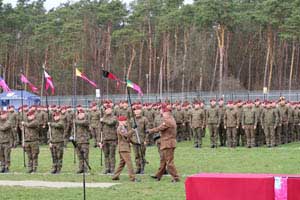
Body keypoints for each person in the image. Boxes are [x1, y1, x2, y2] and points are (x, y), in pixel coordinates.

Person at [147, 104, 180, 182]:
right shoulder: (171, 119)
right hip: (168, 142)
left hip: (168, 143)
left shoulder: (167, 121)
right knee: (163, 160)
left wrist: (150, 130)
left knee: (169, 162)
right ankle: (158, 175)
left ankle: (175, 177)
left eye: (163, 112)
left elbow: (160, 128)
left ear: (166, 113)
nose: (162, 114)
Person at [112, 116, 138, 182]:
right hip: (124, 148)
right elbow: (126, 135)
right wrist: (133, 129)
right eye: (124, 120)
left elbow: (127, 138)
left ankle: (115, 176)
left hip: (124, 147)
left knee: (122, 163)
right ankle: (132, 178)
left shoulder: (124, 128)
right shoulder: (120, 128)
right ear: (120, 121)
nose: (126, 122)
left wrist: (135, 143)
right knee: (129, 163)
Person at [98, 105, 118, 174]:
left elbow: (111, 123)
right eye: (106, 109)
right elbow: (100, 129)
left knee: (112, 155)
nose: (107, 110)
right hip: (104, 139)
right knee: (106, 155)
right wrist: (99, 141)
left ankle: (112, 169)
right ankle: (107, 168)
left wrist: (103, 120)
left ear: (111, 110)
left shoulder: (114, 117)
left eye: (109, 109)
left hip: (112, 138)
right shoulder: (102, 118)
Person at [74, 109, 90, 173]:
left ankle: (85, 168)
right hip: (78, 140)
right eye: (79, 114)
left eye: (81, 114)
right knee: (79, 156)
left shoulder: (86, 120)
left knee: (85, 156)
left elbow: (83, 123)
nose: (80, 115)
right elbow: (74, 130)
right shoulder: (75, 122)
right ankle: (81, 168)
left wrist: (75, 121)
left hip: (84, 141)